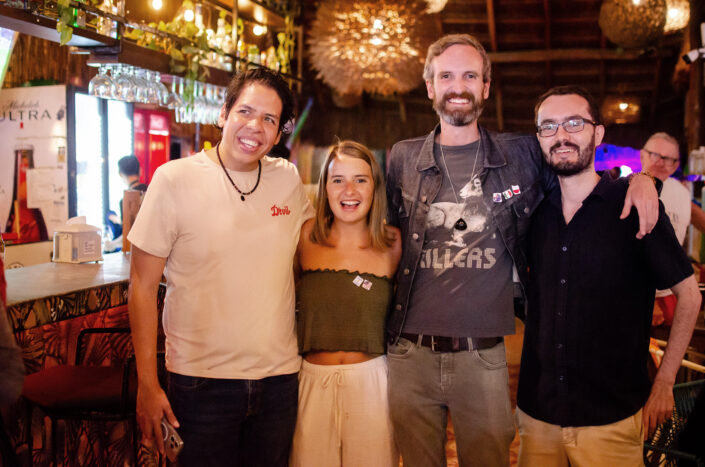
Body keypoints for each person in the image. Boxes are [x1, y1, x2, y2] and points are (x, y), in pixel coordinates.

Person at [385, 33, 660, 467]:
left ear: (485, 87)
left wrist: (639, 180)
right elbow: (384, 240)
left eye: (470, 76)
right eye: (447, 76)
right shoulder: (402, 158)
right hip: (408, 352)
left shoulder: (522, 154)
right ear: (430, 86)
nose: (458, 86)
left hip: (483, 354)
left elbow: (578, 173)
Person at [127, 68, 312, 466]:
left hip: (279, 381)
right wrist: (148, 384)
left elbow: (320, 246)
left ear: (278, 134)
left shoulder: (288, 179)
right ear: (224, 113)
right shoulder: (174, 179)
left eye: (269, 119)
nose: (255, 126)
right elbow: (141, 286)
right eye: (245, 111)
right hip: (200, 384)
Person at [516, 85, 701, 466]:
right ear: (539, 138)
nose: (561, 135)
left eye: (574, 123)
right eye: (549, 126)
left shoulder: (634, 205)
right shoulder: (532, 215)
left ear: (598, 134)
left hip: (612, 418)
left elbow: (690, 294)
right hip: (538, 416)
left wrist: (665, 382)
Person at [290, 140, 401, 466]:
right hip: (311, 382)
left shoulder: (393, 243)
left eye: (360, 180)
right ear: (325, 188)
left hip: (372, 385)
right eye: (338, 180)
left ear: (374, 188)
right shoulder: (305, 236)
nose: (348, 190)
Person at [640, 132, 692, 326]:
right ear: (642, 155)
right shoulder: (625, 188)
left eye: (668, 159)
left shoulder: (682, 193)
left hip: (672, 291)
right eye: (655, 155)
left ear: (676, 165)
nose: (660, 163)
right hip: (637, 293)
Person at [105, 155, 149, 251]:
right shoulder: (151, 191)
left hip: (136, 249)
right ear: (140, 170)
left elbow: (128, 230)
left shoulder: (126, 200)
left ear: (120, 174)